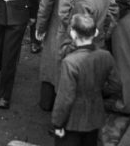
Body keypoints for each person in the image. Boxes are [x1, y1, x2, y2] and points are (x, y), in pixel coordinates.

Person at [36, 0, 113, 110]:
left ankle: (55, 111)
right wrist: (104, 33)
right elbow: (112, 10)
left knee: (60, 75)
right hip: (97, 37)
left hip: (66, 34)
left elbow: (48, 2)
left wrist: (40, 26)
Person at [51, 13, 119, 146]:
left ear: (73, 34)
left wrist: (57, 123)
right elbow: (116, 84)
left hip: (72, 121)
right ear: (95, 33)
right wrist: (99, 93)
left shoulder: (70, 62)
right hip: (95, 117)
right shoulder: (106, 56)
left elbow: (65, 98)